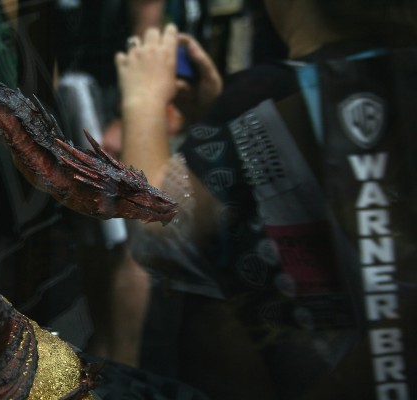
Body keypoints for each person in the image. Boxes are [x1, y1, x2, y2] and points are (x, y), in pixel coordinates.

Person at [115, 0, 417, 398]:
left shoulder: (271, 90)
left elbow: (156, 223)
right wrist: (214, 124)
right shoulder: (395, 70)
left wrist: (143, 100)